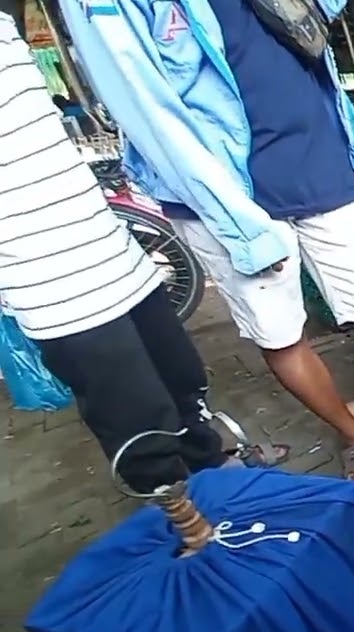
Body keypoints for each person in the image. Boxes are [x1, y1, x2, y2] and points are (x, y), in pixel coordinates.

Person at [59, 0, 354, 491]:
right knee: (280, 331)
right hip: (226, 195)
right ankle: (352, 433)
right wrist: (238, 225)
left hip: (319, 168)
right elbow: (145, 108)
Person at [0, 12, 277, 496]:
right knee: (142, 430)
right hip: (52, 290)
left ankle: (221, 483)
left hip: (118, 257)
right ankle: (187, 526)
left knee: (183, 385)